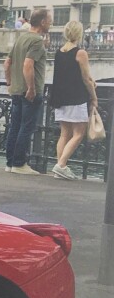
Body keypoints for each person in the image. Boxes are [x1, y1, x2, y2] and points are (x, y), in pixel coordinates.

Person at [49, 20, 99, 180]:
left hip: (60, 97)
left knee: (64, 134)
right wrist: (94, 97)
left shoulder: (59, 51)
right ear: (79, 34)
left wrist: (90, 79)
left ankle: (59, 168)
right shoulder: (80, 53)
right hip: (75, 97)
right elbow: (85, 78)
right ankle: (61, 165)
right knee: (79, 133)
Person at [3, 7, 50, 174]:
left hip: (16, 89)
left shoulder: (21, 39)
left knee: (14, 126)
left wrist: (9, 82)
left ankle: (10, 163)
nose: (51, 23)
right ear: (43, 22)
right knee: (27, 127)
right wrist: (31, 88)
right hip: (29, 91)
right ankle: (19, 163)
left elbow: (7, 63)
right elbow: (28, 65)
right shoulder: (36, 41)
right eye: (49, 20)